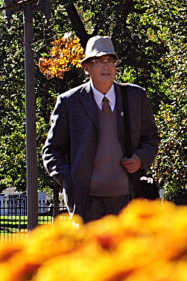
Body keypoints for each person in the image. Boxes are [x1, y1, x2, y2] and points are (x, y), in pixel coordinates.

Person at [42, 36, 161, 223]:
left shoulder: (135, 97)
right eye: (98, 61)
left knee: (129, 252)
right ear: (86, 68)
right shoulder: (69, 102)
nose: (106, 66)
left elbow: (151, 139)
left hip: (129, 200)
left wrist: (140, 159)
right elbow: (51, 152)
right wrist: (70, 181)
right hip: (87, 203)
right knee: (91, 252)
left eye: (110, 61)